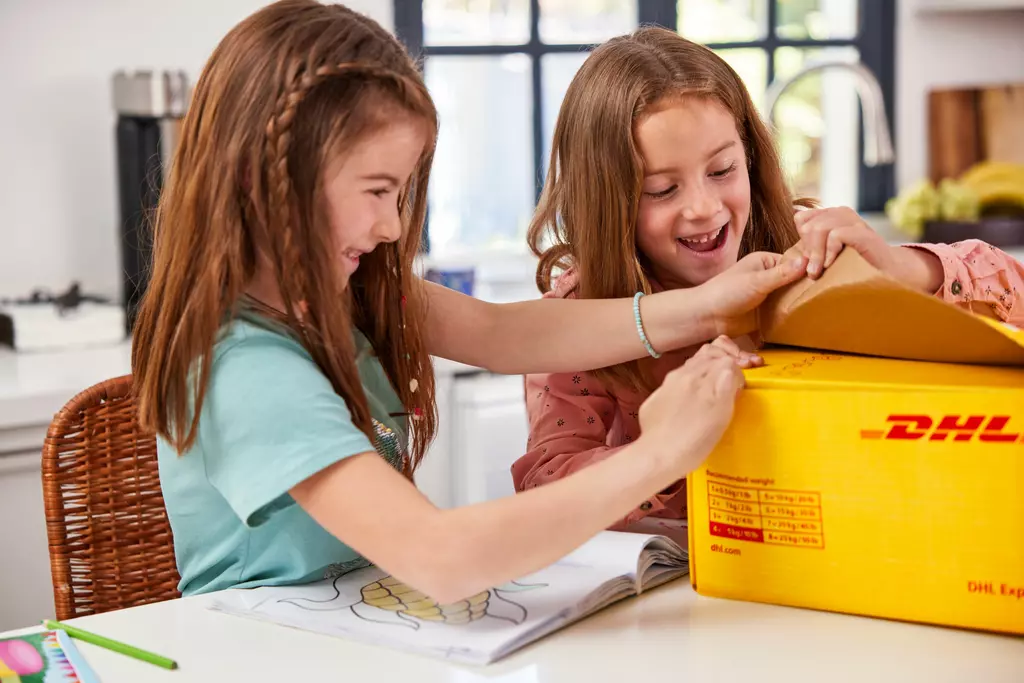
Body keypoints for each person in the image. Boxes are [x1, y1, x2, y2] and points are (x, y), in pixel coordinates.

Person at [131, 1, 806, 602]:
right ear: (266, 180)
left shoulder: (349, 293)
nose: (392, 226)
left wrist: (711, 305)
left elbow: (506, 333)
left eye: (400, 193)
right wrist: (661, 453)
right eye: (376, 190)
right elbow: (441, 557)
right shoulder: (243, 365)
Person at [512, 26, 1024, 535]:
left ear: (750, 159)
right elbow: (544, 488)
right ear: (606, 200)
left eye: (722, 170)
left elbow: (1012, 291)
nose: (704, 208)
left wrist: (900, 271)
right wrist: (669, 447)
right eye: (662, 189)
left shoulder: (802, 254)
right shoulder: (578, 318)